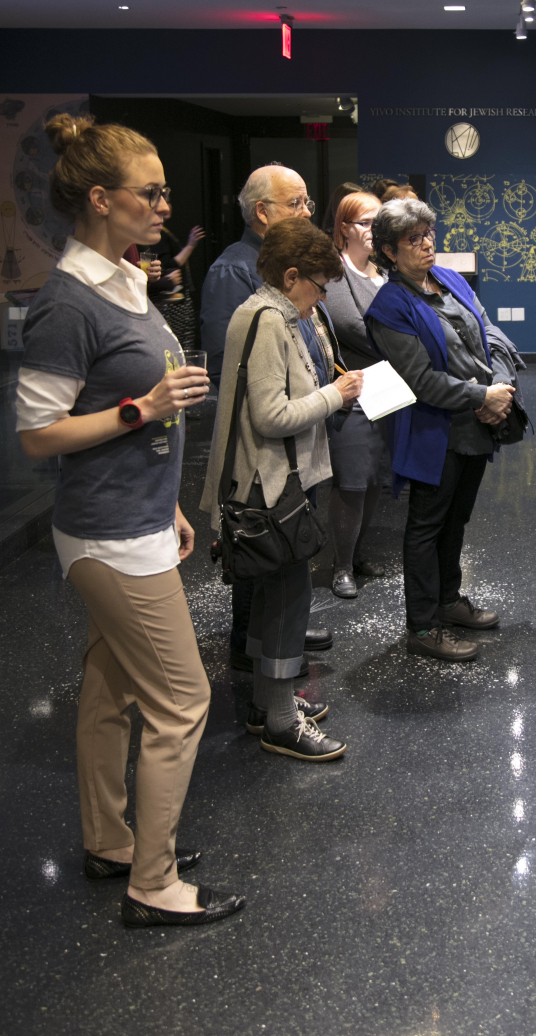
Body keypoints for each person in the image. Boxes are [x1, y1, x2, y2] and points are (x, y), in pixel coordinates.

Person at [16, 113, 244, 928]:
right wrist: (141, 408)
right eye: (150, 193)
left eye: (164, 192)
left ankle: (109, 841)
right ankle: (153, 884)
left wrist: (169, 499)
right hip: (109, 534)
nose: (164, 206)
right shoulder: (67, 303)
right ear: (100, 198)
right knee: (182, 701)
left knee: (111, 690)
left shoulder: (124, 278)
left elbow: (141, 418)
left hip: (137, 517)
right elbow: (38, 433)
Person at [201, 218, 364, 759]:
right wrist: (336, 395)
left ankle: (264, 704)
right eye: (318, 286)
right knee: (287, 602)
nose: (322, 298)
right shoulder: (268, 321)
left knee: (275, 598)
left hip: (271, 480)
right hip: (271, 486)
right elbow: (271, 416)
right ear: (290, 277)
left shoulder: (268, 313)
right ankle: (280, 721)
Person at [364, 199, 516, 662]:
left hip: (476, 425)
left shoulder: (449, 278)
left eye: (428, 233)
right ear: (389, 252)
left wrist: (500, 388)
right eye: (413, 239)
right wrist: (483, 397)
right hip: (434, 434)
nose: (427, 244)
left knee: (457, 519)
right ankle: (423, 626)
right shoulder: (389, 307)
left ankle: (449, 601)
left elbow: (490, 332)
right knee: (426, 527)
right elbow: (420, 380)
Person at [200, 163, 332, 669]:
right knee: (261, 549)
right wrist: (325, 398)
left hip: (298, 438)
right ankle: (252, 652)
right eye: (296, 203)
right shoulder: (237, 274)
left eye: (307, 203)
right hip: (266, 453)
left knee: (285, 557)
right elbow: (235, 372)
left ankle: (276, 638)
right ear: (262, 211)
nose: (306, 212)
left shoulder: (293, 270)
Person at [322, 191, 390, 598]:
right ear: (344, 228)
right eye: (365, 223)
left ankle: (358, 554)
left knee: (376, 477)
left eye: (378, 223)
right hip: (353, 393)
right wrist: (405, 339)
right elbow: (353, 326)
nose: (373, 230)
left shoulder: (383, 272)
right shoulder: (336, 272)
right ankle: (341, 566)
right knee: (351, 481)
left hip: (389, 389)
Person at [139, 209, 204, 349]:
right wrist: (191, 245)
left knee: (184, 344)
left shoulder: (162, 231)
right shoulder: (151, 236)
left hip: (175, 299)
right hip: (167, 303)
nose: (165, 207)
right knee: (175, 346)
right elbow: (168, 265)